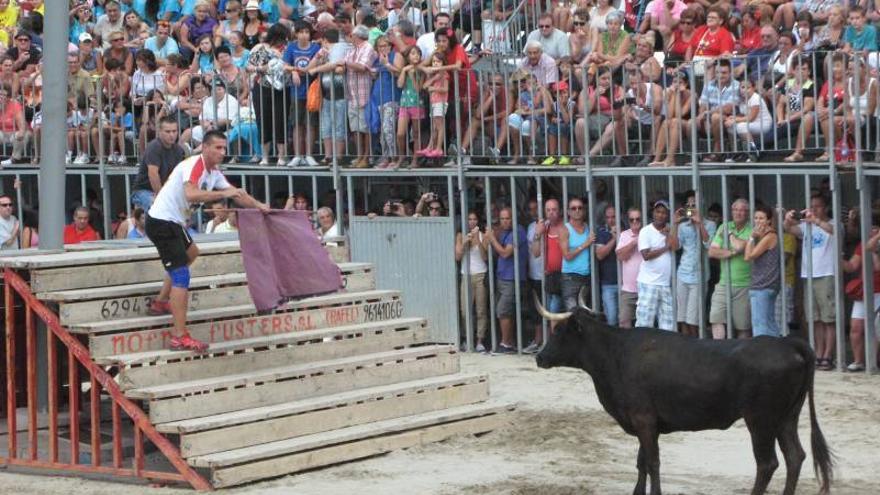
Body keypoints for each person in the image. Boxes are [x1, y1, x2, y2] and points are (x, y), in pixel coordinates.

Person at [144, 130, 270, 352]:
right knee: (181, 274)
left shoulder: (214, 172)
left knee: (191, 254)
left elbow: (237, 193)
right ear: (205, 147)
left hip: (173, 222)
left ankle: (161, 302)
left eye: (224, 148)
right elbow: (192, 195)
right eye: (218, 148)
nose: (222, 152)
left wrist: (260, 206)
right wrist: (221, 195)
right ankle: (179, 336)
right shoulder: (195, 165)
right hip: (162, 222)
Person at [784, 193, 837, 370]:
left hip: (826, 274)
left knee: (829, 318)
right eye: (811, 206)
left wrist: (815, 220)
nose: (813, 209)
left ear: (826, 208)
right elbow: (789, 229)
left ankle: (828, 355)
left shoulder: (832, 222)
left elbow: (833, 231)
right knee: (814, 319)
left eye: (818, 206)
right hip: (808, 275)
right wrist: (787, 218)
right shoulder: (807, 226)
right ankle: (818, 353)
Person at [708, 199, 752, 339]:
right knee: (716, 319)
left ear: (747, 213)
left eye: (742, 210)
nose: (739, 213)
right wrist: (732, 253)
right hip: (723, 283)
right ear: (731, 211)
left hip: (744, 284)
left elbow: (740, 246)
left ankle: (741, 358)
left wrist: (729, 235)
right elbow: (712, 252)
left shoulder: (753, 229)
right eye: (736, 210)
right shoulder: (724, 226)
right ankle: (720, 352)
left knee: (742, 326)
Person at [841, 217, 880, 372]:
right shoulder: (862, 245)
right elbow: (851, 266)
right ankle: (858, 361)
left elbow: (877, 266)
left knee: (877, 329)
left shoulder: (870, 245)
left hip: (879, 292)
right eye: (870, 228)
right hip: (865, 291)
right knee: (856, 327)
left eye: (875, 228)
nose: (871, 231)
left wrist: (875, 242)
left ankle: (874, 361)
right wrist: (839, 256)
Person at [486, 206, 527, 354]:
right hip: (503, 276)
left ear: (513, 218)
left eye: (507, 218)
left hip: (512, 278)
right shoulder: (505, 232)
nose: (505, 222)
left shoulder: (518, 231)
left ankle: (506, 344)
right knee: (506, 311)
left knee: (503, 310)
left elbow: (505, 253)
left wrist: (491, 239)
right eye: (502, 219)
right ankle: (509, 342)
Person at [675, 191, 716, 337]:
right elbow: (675, 247)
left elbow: (708, 245)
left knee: (694, 319)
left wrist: (699, 224)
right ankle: (685, 348)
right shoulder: (683, 226)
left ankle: (698, 345)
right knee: (682, 318)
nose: (691, 208)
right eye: (689, 205)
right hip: (682, 274)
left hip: (699, 275)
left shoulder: (710, 224)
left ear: (701, 206)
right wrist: (674, 225)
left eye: (694, 205)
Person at [635, 200, 679, 331]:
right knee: (644, 324)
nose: (660, 215)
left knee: (668, 326)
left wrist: (669, 233)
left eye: (664, 213)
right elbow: (646, 255)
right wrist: (665, 247)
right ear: (653, 213)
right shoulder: (645, 231)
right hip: (649, 283)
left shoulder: (670, 230)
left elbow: (675, 247)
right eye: (658, 212)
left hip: (665, 284)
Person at [131, 116, 186, 212]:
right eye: (167, 132)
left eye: (174, 131)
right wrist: (162, 197)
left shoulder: (179, 150)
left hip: (166, 191)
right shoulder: (154, 147)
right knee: (159, 207)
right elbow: (153, 174)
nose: (172, 135)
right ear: (160, 132)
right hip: (143, 191)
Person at [743, 204, 781, 337]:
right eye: (756, 218)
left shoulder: (769, 236)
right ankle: (777, 353)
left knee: (761, 326)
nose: (758, 221)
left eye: (761, 218)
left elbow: (748, 256)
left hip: (763, 286)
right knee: (769, 324)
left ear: (769, 220)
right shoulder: (767, 236)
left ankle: (764, 354)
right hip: (765, 286)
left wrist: (751, 237)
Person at [455, 210, 489, 352]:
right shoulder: (460, 235)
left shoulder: (483, 235)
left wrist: (477, 241)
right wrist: (465, 243)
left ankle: (480, 340)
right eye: (469, 219)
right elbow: (457, 257)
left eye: (474, 219)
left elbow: (485, 257)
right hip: (466, 275)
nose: (472, 222)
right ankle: (466, 338)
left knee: (480, 309)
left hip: (480, 274)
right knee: (464, 310)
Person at [559, 197, 594, 312]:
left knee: (585, 315)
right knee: (573, 314)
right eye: (573, 208)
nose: (577, 210)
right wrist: (585, 244)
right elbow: (567, 256)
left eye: (580, 208)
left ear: (584, 211)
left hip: (586, 276)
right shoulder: (565, 229)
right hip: (570, 277)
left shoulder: (589, 227)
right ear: (568, 212)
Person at [616, 206, 643, 328]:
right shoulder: (624, 235)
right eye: (632, 220)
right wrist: (633, 243)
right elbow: (621, 256)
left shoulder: (647, 233)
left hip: (645, 288)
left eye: (638, 219)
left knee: (644, 325)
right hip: (628, 289)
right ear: (628, 221)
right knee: (624, 322)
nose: (635, 222)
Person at [595, 204, 619, 326]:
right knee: (612, 318)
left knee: (625, 320)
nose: (611, 220)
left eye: (614, 217)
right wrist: (614, 239)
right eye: (608, 217)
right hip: (608, 284)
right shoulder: (601, 232)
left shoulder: (626, 230)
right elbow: (599, 255)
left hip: (625, 284)